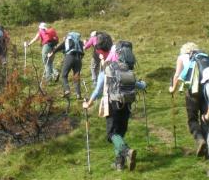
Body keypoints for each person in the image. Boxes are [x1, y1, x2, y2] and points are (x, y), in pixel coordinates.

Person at [82, 41, 145, 171]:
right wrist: (143, 85)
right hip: (127, 104)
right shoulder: (127, 69)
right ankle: (119, 164)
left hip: (113, 105)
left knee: (112, 134)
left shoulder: (108, 68)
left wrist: (88, 103)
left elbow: (98, 90)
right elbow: (138, 85)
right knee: (120, 133)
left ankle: (127, 151)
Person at [169, 42, 208, 156]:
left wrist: (173, 89)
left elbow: (177, 75)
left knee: (192, 119)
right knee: (205, 118)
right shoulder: (203, 56)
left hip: (192, 92)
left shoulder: (182, 57)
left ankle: (200, 139)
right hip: (206, 91)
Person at [48, 32, 84, 99]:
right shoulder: (80, 42)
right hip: (78, 58)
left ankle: (67, 90)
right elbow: (82, 52)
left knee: (64, 75)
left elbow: (58, 48)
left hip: (69, 57)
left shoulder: (67, 40)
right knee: (76, 76)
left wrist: (51, 53)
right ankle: (78, 94)